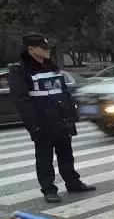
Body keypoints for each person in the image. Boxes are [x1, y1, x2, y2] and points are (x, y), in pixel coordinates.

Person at [8, 33, 96, 203]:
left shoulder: (51, 67)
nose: (48, 51)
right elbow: (22, 102)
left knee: (66, 154)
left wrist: (71, 115)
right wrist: (34, 127)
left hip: (61, 120)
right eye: (43, 48)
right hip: (42, 123)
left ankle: (73, 182)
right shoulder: (20, 71)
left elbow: (63, 93)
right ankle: (49, 189)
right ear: (31, 49)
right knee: (44, 158)